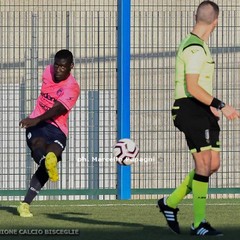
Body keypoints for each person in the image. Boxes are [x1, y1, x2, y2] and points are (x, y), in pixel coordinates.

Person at [157, 1, 239, 236]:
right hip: (189, 109)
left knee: (213, 164)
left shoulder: (200, 45)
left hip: (201, 108)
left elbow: (199, 86)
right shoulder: (194, 48)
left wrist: (210, 106)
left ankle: (169, 203)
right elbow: (192, 87)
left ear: (196, 16)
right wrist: (220, 105)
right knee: (203, 164)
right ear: (217, 22)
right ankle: (199, 223)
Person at [17, 49, 80, 217]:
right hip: (37, 123)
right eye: (56, 65)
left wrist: (37, 119)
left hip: (57, 127)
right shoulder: (47, 71)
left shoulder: (72, 87)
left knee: (52, 154)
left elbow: (58, 109)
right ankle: (25, 204)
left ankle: (24, 204)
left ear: (71, 67)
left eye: (63, 67)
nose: (58, 70)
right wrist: (36, 119)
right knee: (38, 145)